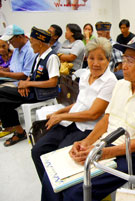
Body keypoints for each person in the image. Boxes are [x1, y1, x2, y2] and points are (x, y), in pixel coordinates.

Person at [40, 36, 135, 201]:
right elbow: (106, 119)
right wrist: (87, 142)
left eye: (130, 60)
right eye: (123, 59)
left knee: (75, 192)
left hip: (131, 154)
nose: (123, 66)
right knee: (53, 177)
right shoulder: (121, 85)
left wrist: (103, 153)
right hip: (105, 142)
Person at [31, 37, 117, 182]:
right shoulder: (85, 75)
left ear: (108, 60)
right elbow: (79, 103)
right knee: (38, 151)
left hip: (86, 129)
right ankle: (50, 187)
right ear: (86, 58)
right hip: (70, 122)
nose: (95, 64)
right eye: (91, 58)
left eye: (101, 59)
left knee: (60, 160)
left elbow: (93, 114)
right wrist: (58, 113)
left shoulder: (110, 81)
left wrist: (62, 117)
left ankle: (56, 189)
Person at [0, 27, 60, 146]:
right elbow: (31, 75)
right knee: (3, 101)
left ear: (41, 43)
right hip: (33, 90)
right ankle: (19, 131)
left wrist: (28, 83)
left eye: (32, 42)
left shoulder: (52, 57)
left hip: (42, 93)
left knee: (1, 94)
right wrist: (24, 84)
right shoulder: (39, 56)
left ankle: (18, 131)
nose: (31, 45)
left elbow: (53, 82)